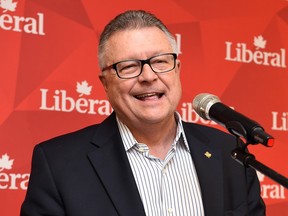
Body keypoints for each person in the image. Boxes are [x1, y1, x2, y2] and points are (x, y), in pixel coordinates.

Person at [21, 10, 265, 216]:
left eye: (160, 61)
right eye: (128, 67)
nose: (148, 76)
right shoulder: (58, 164)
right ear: (105, 83)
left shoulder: (229, 152)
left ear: (177, 69)